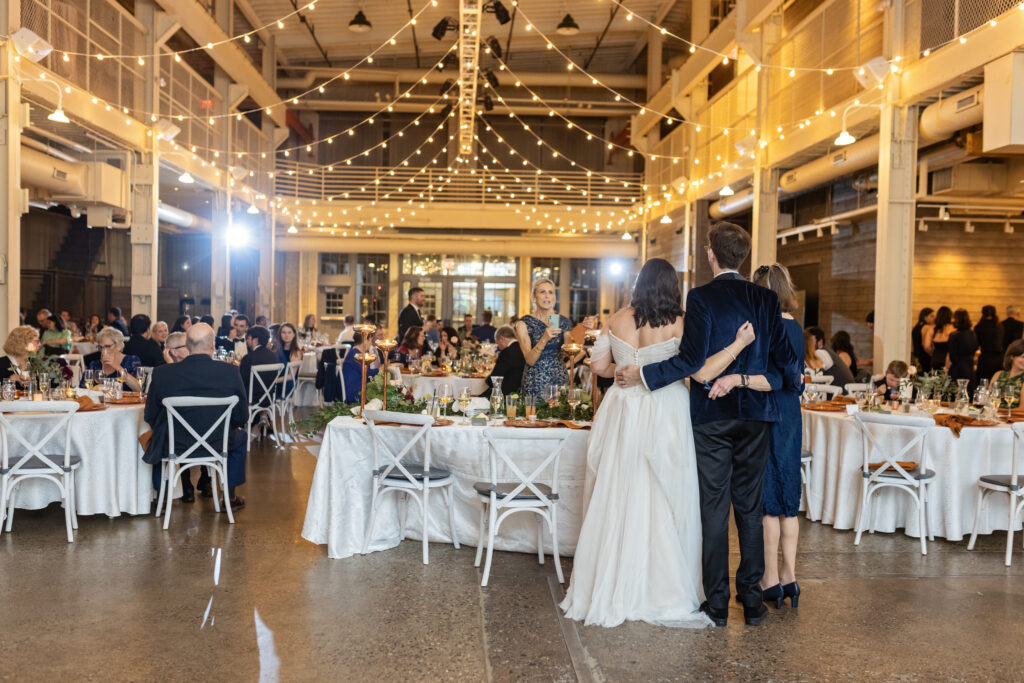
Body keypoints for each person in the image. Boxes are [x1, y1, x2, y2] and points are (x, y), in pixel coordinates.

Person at [615, 223, 800, 627]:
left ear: (712, 254)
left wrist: (644, 377)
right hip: (756, 416)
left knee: (713, 508)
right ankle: (751, 601)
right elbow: (788, 364)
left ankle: (717, 604)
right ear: (742, 257)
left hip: (711, 419)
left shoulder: (700, 298)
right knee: (749, 509)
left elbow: (689, 362)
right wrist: (777, 380)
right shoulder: (767, 299)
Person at [561, 257, 756, 628]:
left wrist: (623, 366)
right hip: (665, 406)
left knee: (620, 489)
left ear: (639, 285)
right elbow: (697, 370)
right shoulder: (681, 322)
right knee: (668, 492)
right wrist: (736, 344)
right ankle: (660, 584)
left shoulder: (618, 319)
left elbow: (600, 368)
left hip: (622, 409)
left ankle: (612, 578)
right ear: (672, 287)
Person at [744, 264, 805, 611]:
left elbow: (770, 376)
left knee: (768, 501)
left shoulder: (765, 328)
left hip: (768, 411)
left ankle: (768, 579)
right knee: (787, 500)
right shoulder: (796, 328)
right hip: (791, 413)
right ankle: (790, 577)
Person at [143, 323, 247, 508]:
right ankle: (229, 497)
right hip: (217, 442)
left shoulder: (162, 373)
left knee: (158, 433)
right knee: (241, 436)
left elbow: (150, 415)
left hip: (175, 444)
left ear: (188, 347)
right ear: (212, 346)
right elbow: (241, 416)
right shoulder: (230, 372)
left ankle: (162, 497)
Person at [516, 279, 594, 397]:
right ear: (534, 297)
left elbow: (570, 352)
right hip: (535, 381)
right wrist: (545, 338)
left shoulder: (563, 322)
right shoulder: (524, 324)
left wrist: (583, 330)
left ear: (554, 298)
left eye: (551, 292)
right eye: (542, 292)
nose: (547, 296)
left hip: (559, 379)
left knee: (560, 414)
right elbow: (530, 360)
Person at [87, 327, 143, 391]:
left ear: (119, 346)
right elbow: (83, 389)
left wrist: (117, 367)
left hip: (125, 400)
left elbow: (139, 389)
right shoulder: (94, 365)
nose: (103, 351)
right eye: (100, 347)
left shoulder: (131, 360)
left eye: (107, 346)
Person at [238, 326, 279, 406]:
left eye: (248, 338)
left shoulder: (248, 358)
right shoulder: (273, 356)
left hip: (252, 398)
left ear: (255, 340)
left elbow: (242, 381)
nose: (246, 341)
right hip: (269, 397)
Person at [481, 325, 525, 398]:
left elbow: (494, 379)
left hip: (504, 394)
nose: (498, 347)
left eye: (497, 343)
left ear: (502, 338)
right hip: (518, 393)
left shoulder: (506, 352)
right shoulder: (523, 348)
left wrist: (486, 380)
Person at [340, 331, 380, 403]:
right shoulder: (355, 356)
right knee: (382, 395)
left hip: (359, 389)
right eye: (370, 340)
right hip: (355, 394)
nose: (371, 343)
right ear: (365, 340)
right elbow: (368, 374)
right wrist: (380, 370)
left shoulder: (356, 353)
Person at [947, 308, 979, 388]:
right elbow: (975, 348)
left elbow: (952, 356)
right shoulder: (973, 334)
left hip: (957, 368)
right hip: (969, 368)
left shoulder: (954, 335)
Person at [975, 305, 1004, 382]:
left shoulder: (979, 326)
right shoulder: (999, 326)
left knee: (983, 383)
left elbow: (976, 345)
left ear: (982, 313)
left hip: (985, 359)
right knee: (996, 382)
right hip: (999, 359)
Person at [992, 340, 1024, 409]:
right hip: (993, 416)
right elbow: (988, 401)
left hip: (1014, 418)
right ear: (1012, 356)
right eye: (1023, 357)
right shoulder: (998, 375)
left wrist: (1002, 413)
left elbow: (1022, 409)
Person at [926, 306, 955, 370]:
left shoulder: (932, 329)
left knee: (935, 378)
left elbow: (927, 346)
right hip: (950, 360)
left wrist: (932, 353)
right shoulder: (954, 329)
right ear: (950, 316)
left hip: (936, 358)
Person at [911, 308, 935, 373]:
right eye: (932, 316)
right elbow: (925, 344)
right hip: (925, 357)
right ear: (925, 317)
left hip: (916, 356)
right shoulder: (927, 327)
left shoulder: (916, 327)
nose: (934, 318)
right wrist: (932, 354)